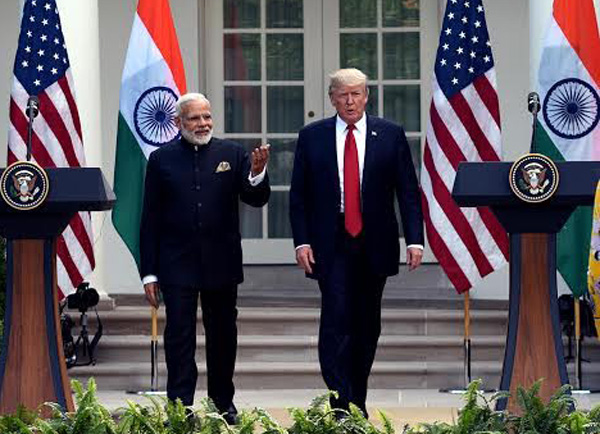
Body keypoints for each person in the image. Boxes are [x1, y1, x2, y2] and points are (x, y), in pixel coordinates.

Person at [289, 68, 424, 416]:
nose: (350, 101)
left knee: (366, 324)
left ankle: (356, 399)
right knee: (336, 318)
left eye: (356, 94)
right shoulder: (312, 136)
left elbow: (408, 191)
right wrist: (302, 242)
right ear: (332, 99)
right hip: (330, 241)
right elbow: (299, 196)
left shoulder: (390, 134)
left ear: (366, 96)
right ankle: (340, 402)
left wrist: (415, 240)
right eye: (343, 95)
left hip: (374, 240)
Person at [140, 92, 270, 423]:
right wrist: (149, 273)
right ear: (178, 122)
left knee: (223, 336)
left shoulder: (233, 153)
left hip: (222, 262)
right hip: (176, 264)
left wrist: (256, 173)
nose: (203, 123)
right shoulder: (161, 159)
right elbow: (150, 218)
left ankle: (222, 404)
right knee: (179, 338)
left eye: (207, 116)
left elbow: (255, 199)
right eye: (195, 118)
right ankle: (180, 407)